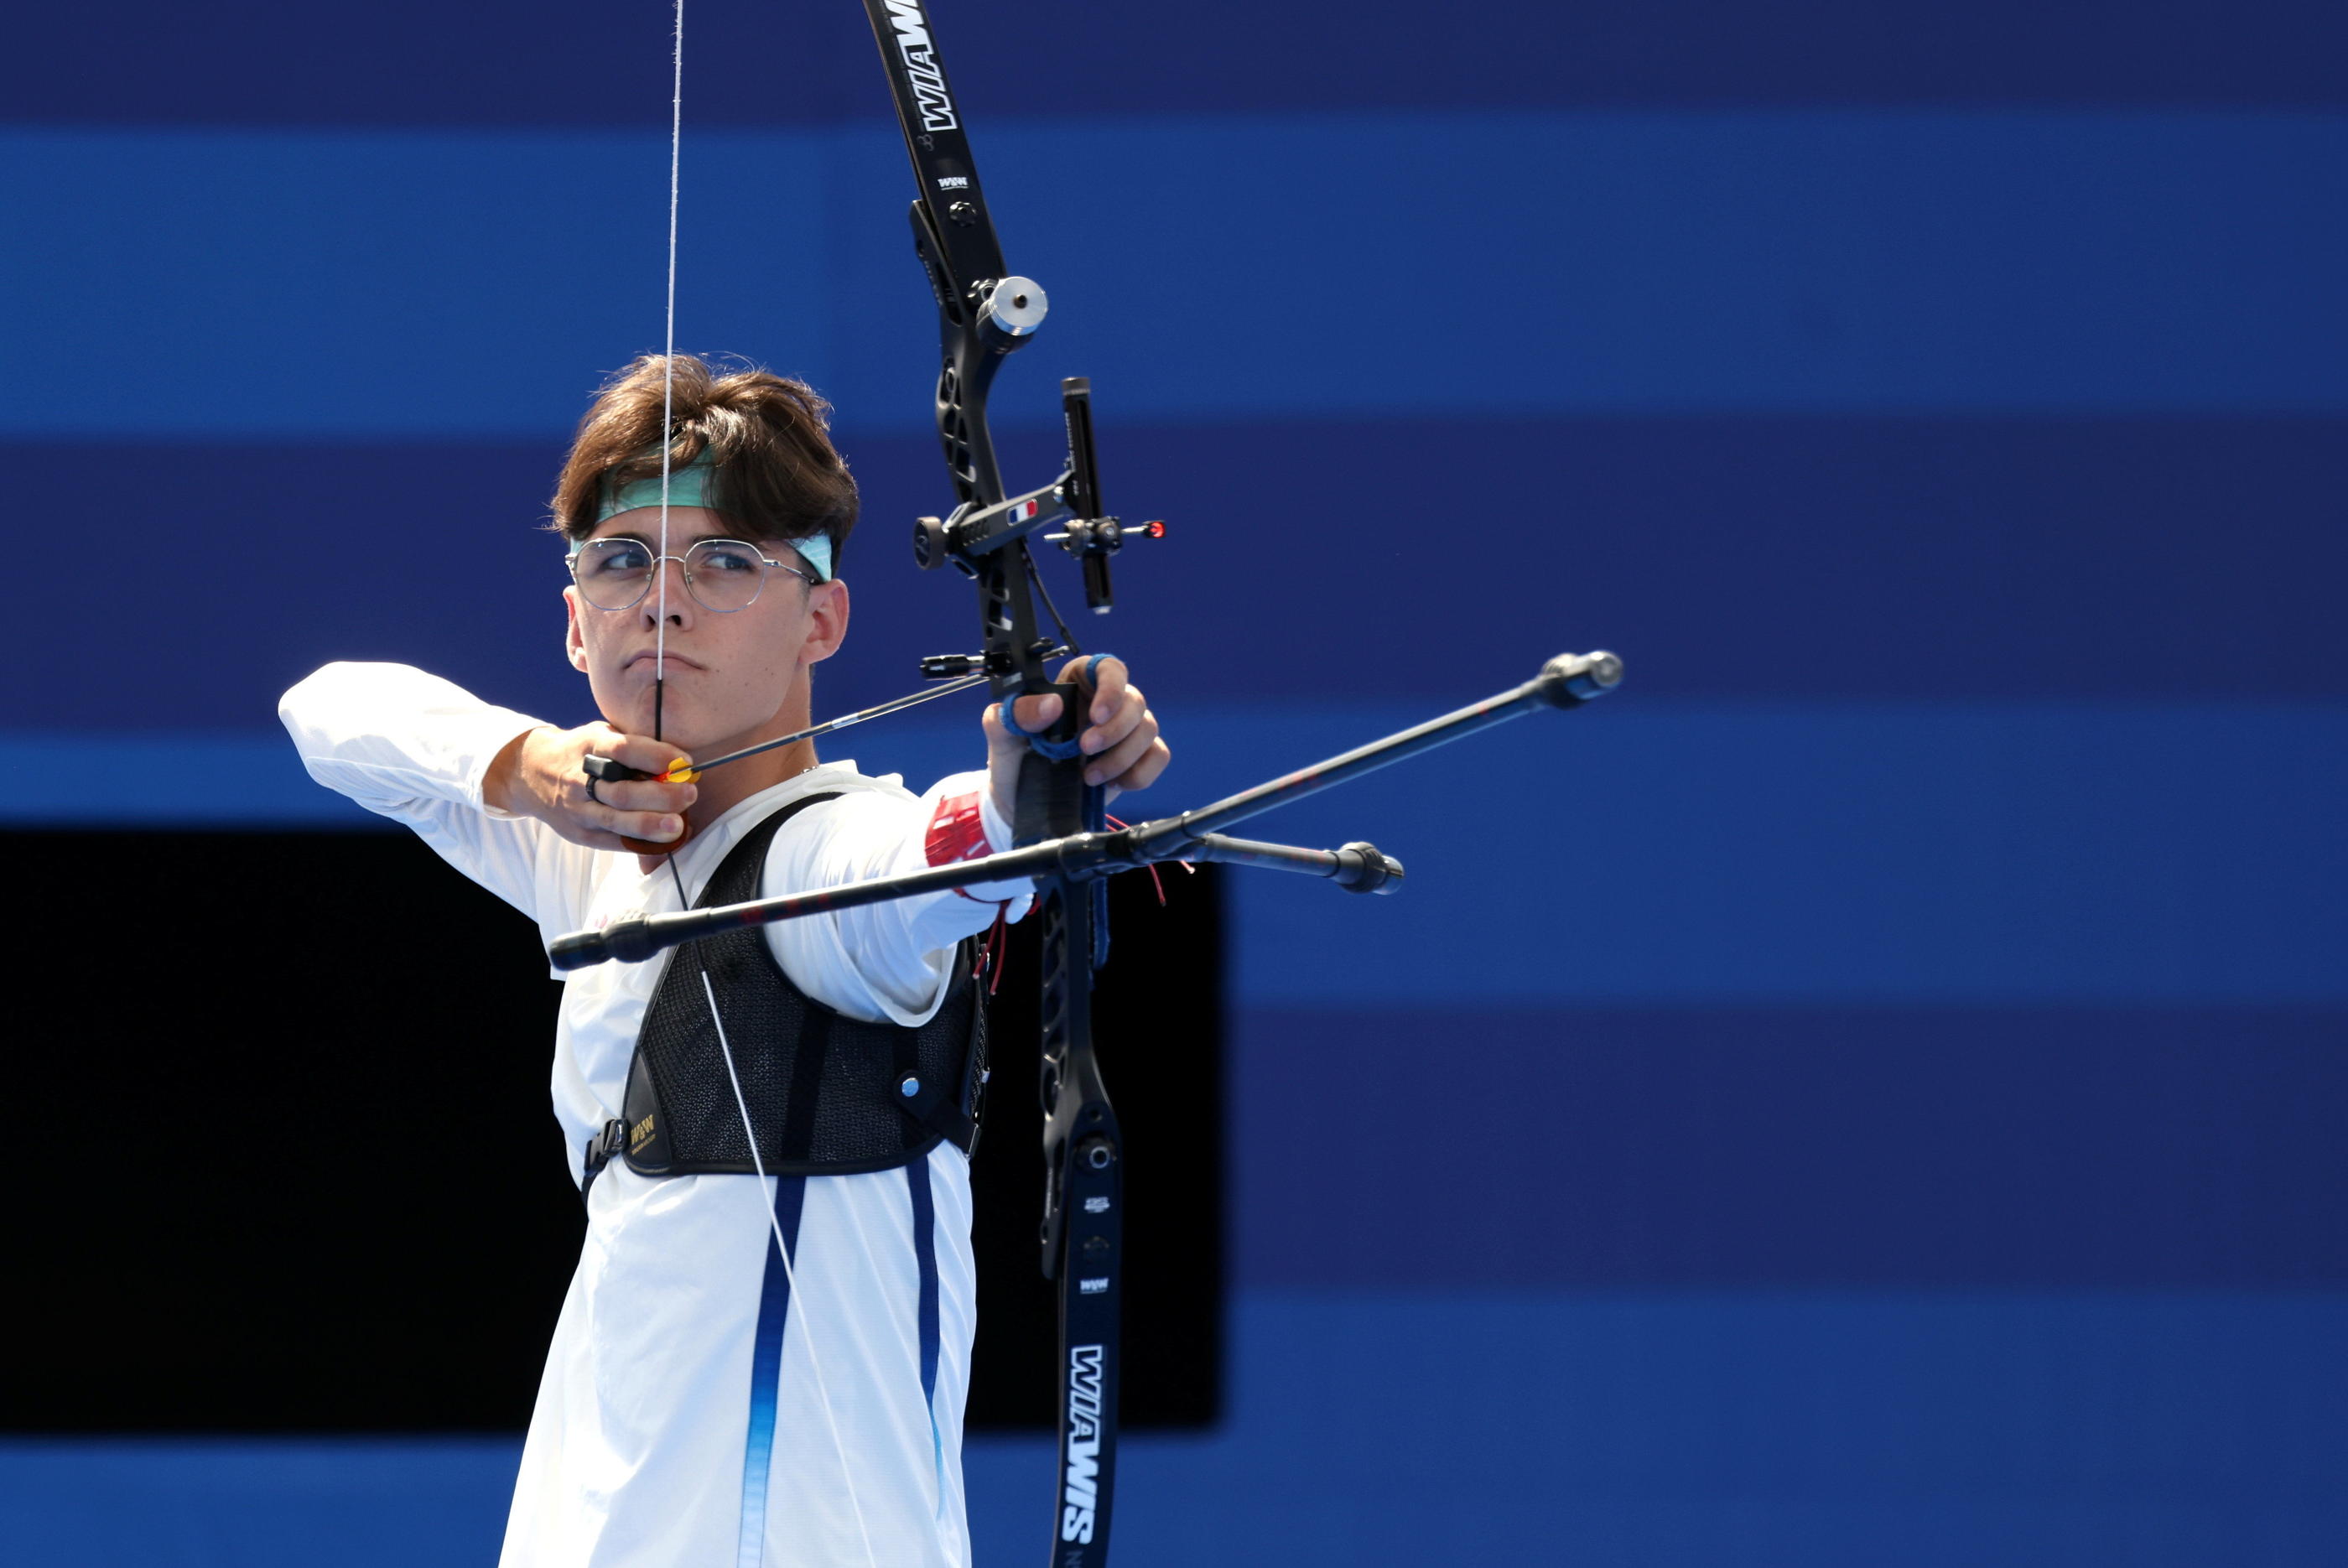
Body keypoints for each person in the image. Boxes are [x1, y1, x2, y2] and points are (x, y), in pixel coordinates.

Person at [279, 353, 1169, 1568]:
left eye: (726, 559)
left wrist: (1038, 778)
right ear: (574, 612)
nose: (662, 601)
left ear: (825, 618)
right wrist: (533, 767)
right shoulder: (585, 848)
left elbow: (941, 853)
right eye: (621, 561)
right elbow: (328, 712)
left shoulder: (826, 858)